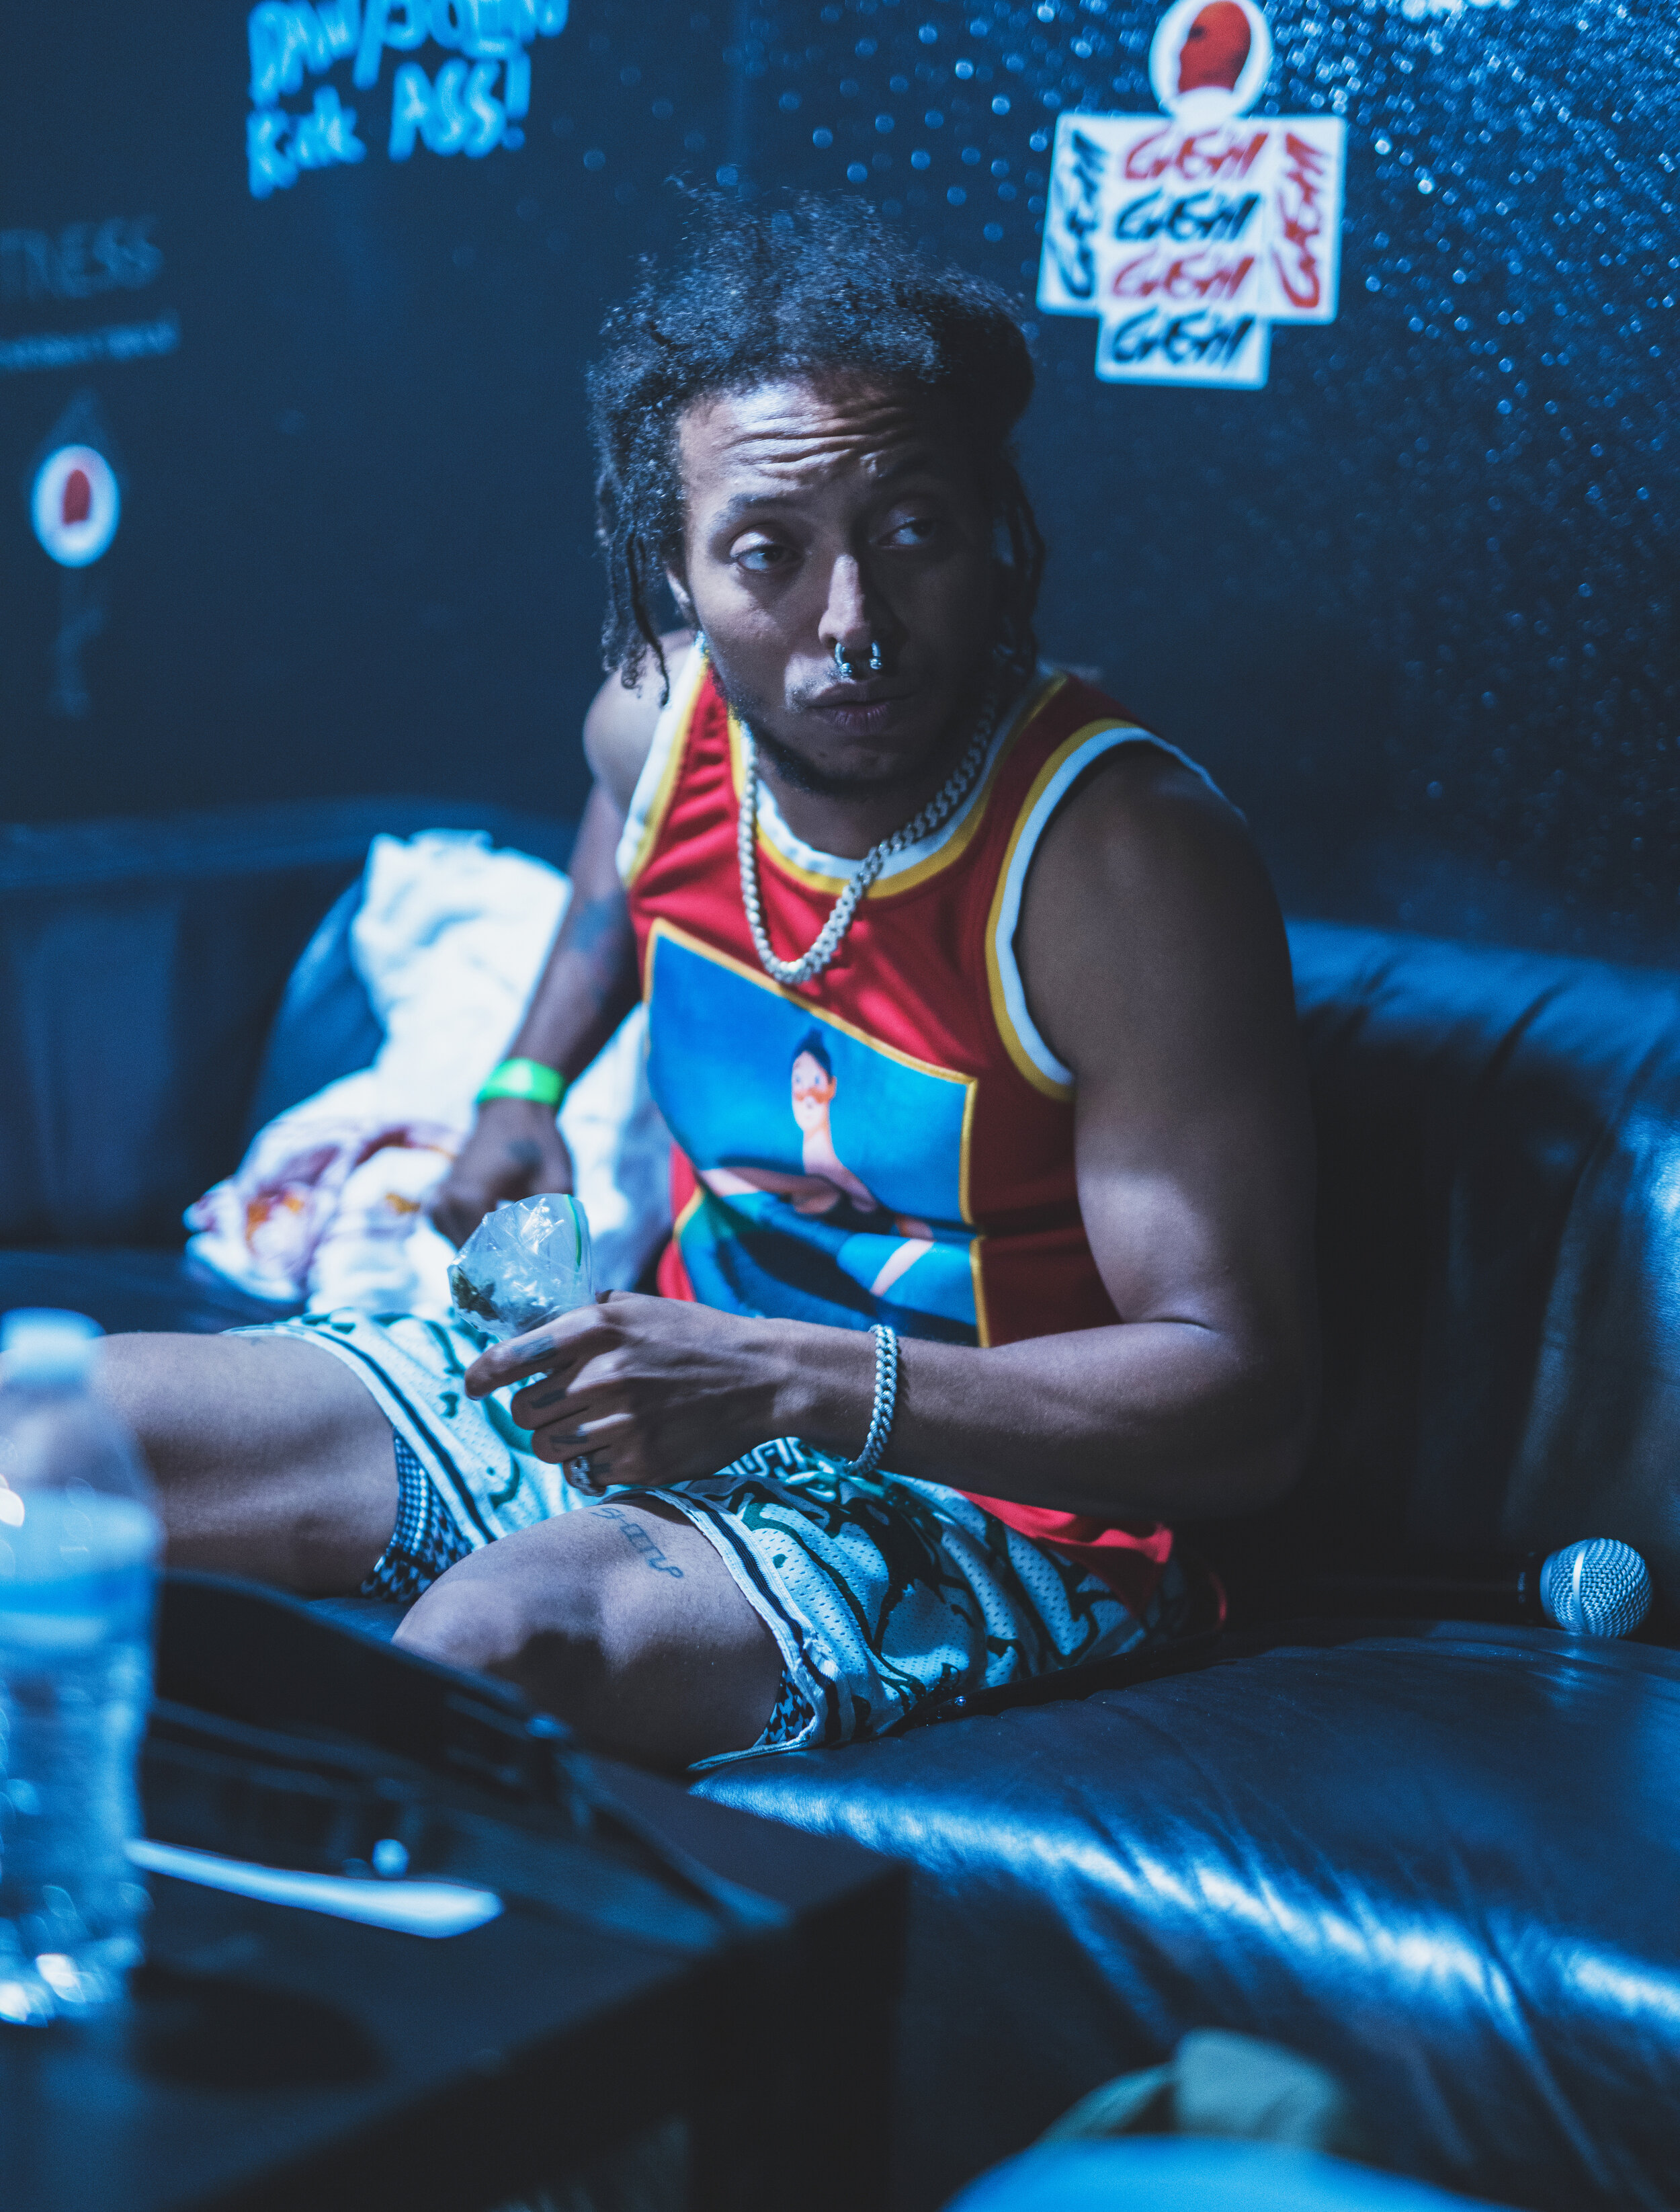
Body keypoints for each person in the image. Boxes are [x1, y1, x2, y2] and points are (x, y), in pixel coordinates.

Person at [104, 197, 1317, 1771]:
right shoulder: (659, 723)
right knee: (53, 1440)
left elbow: (1241, 1400)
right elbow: (614, 870)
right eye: (767, 553)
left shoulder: (1117, 857)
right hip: (673, 1385)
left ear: (998, 532)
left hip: (1001, 1500)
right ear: (671, 574)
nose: (852, 623)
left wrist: (785, 1374)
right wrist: (524, 1086)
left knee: (500, 1637)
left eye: (912, 532)